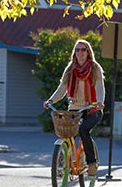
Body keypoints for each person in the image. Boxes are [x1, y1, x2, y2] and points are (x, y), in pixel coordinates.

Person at [43, 39, 105, 176]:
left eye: (83, 49)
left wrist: (100, 102)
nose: (80, 52)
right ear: (74, 52)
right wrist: (51, 100)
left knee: (83, 130)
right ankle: (64, 163)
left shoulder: (95, 68)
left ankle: (91, 163)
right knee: (66, 132)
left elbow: (100, 87)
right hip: (75, 108)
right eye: (77, 50)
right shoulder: (70, 69)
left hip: (92, 108)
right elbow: (62, 88)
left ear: (88, 52)